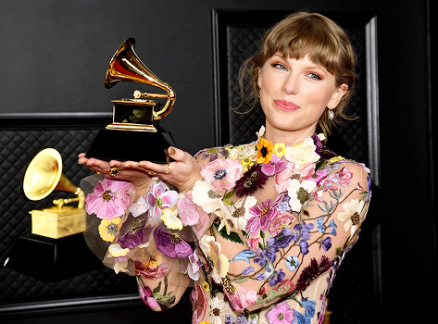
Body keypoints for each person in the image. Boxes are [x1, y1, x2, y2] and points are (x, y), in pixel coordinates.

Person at [79, 11, 371, 324]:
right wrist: (140, 189)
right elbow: (162, 295)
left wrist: (192, 189)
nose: (289, 86)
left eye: (312, 74)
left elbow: (255, 291)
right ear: (260, 76)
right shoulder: (209, 165)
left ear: (336, 94)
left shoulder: (343, 179)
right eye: (280, 66)